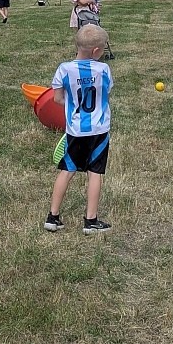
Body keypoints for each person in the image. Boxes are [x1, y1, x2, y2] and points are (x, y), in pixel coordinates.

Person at [45, 24, 113, 235]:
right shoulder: (103, 70)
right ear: (95, 52)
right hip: (99, 130)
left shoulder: (63, 69)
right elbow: (106, 92)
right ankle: (90, 221)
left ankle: (53, 218)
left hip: (75, 131)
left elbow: (57, 99)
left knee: (67, 170)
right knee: (95, 173)